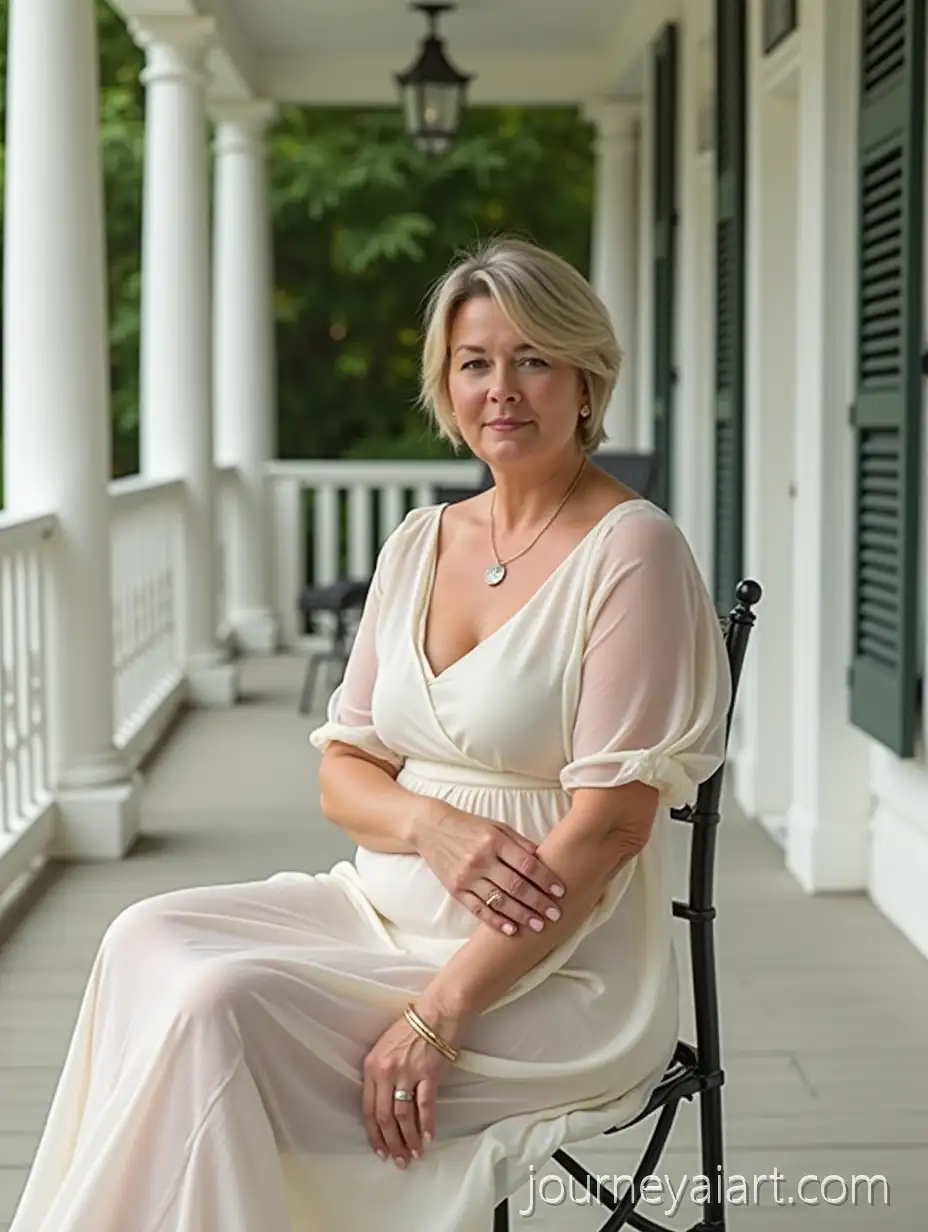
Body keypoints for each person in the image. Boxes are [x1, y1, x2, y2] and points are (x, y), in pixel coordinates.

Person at [9, 237, 731, 1232]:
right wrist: (433, 825)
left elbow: (610, 825)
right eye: (475, 361)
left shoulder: (634, 551)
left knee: (222, 1006)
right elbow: (342, 773)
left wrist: (440, 1011)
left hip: (546, 968)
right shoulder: (419, 542)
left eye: (532, 359)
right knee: (140, 937)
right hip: (375, 912)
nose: (502, 388)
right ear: (445, 381)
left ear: (584, 378)